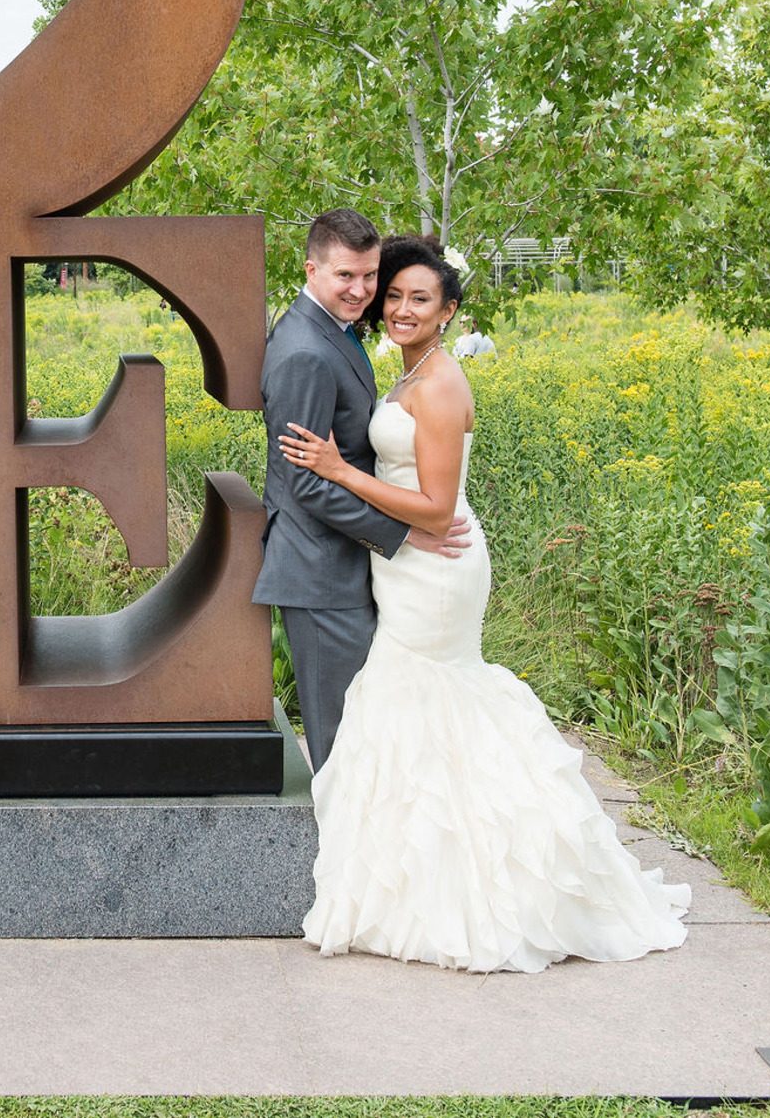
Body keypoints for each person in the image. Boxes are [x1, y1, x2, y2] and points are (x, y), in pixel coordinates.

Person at [279, 234, 689, 972]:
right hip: (406, 562)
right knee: (412, 715)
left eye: (420, 298)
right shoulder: (409, 370)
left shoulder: (440, 383)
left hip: (433, 563)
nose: (400, 308)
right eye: (393, 295)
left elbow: (437, 510)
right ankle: (417, 875)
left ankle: (476, 880)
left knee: (431, 702)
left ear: (449, 311)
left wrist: (339, 470)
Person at [254, 209, 470, 773]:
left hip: (349, 564)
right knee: (341, 740)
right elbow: (306, 483)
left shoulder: (333, 331)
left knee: (367, 731)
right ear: (312, 269)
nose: (361, 290)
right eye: (345, 275)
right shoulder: (306, 350)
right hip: (320, 568)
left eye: (370, 276)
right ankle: (338, 832)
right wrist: (401, 534)